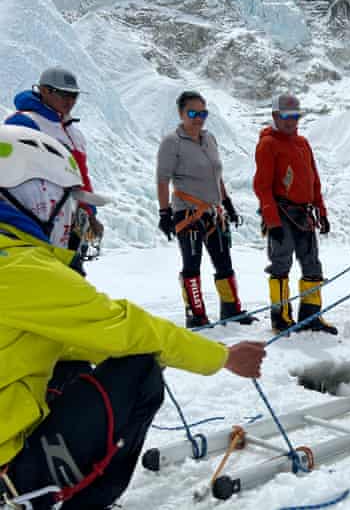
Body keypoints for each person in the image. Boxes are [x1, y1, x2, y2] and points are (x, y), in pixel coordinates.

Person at [0, 124, 267, 510]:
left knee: (72, 356)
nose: (74, 221)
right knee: (139, 370)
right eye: (70, 204)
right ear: (38, 198)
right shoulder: (22, 269)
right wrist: (224, 358)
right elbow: (126, 328)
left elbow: (83, 335)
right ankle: (49, 499)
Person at [156, 91, 256, 328]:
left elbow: (216, 176)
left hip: (213, 213)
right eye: (193, 113)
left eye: (203, 113)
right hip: (187, 213)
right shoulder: (172, 142)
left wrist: (227, 203)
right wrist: (164, 213)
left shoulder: (209, 139)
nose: (199, 118)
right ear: (181, 114)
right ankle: (196, 314)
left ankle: (231, 310)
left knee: (224, 263)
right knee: (192, 264)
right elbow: (162, 180)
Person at [253, 93, 338, 335]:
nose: (291, 121)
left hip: (304, 214)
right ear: (275, 116)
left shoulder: (302, 143)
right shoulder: (268, 144)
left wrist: (321, 211)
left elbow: (314, 181)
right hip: (281, 213)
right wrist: (272, 221)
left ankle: (311, 317)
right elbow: (262, 186)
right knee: (281, 264)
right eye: (286, 116)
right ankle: (281, 318)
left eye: (295, 116)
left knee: (312, 265)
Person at [4, 66, 104, 259]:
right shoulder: (24, 122)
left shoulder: (74, 134)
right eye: (63, 94)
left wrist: (90, 214)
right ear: (43, 90)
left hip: (65, 215)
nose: (70, 100)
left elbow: (81, 178)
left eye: (74, 95)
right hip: (33, 215)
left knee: (67, 269)